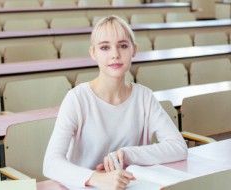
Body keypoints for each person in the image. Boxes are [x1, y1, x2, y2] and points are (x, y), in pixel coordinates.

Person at [43, 15, 187, 189]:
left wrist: (128, 154)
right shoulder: (77, 99)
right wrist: (95, 178)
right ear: (93, 53)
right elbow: (51, 163)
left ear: (133, 50)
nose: (115, 55)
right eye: (105, 47)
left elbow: (178, 147)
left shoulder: (144, 97)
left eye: (123, 46)